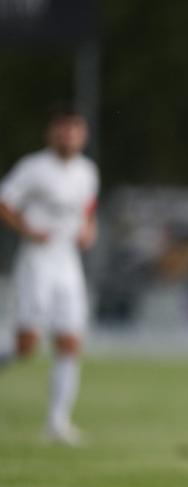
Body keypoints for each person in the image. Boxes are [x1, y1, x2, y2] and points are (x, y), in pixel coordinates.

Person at [0, 107, 99, 445]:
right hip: (37, 261)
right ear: (51, 134)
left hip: (67, 262)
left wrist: (88, 229)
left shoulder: (87, 171)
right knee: (26, 345)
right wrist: (26, 229)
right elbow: (4, 201)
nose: (68, 136)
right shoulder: (34, 168)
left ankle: (57, 423)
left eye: (74, 130)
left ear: (82, 135)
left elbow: (87, 208)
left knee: (70, 341)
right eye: (62, 130)